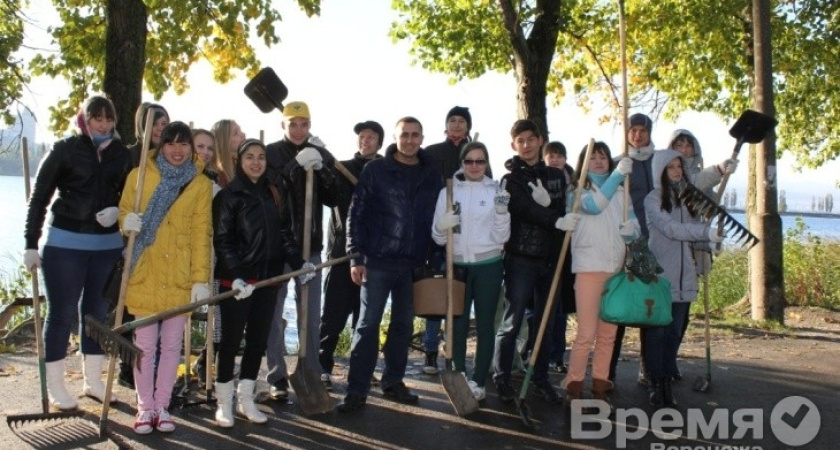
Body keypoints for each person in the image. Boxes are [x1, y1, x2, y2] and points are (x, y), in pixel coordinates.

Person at [23, 95, 132, 410]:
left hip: (107, 248)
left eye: (108, 119)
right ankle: (55, 386)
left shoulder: (122, 156)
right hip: (65, 245)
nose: (102, 124)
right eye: (96, 118)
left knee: (96, 317)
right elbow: (39, 197)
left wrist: (118, 213)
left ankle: (93, 382)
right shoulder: (65, 150)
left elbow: (131, 200)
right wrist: (31, 243)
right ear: (85, 119)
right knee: (61, 315)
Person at [339, 116, 443, 412]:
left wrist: (435, 259)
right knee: (368, 325)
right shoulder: (377, 170)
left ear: (422, 138)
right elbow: (355, 214)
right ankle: (357, 389)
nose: (410, 140)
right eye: (404, 135)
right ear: (396, 138)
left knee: (403, 325)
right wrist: (355, 256)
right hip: (378, 260)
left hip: (414, 263)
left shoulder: (431, 173)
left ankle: (393, 381)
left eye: (415, 135)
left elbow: (437, 218)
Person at [118, 121, 212, 434]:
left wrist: (201, 279)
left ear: (190, 148)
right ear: (161, 146)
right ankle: (145, 408)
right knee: (144, 345)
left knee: (172, 346)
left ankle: (163, 405)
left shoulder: (199, 185)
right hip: (144, 270)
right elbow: (125, 211)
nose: (177, 150)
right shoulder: (140, 175)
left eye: (183, 144)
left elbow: (202, 234)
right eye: (171, 143)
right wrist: (126, 222)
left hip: (179, 276)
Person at [212, 139, 312, 427]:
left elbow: (284, 234)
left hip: (268, 280)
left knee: (256, 343)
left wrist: (298, 263)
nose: (256, 162)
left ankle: (246, 399)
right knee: (230, 343)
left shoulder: (272, 193)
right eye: (249, 157)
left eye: (261, 157)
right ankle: (224, 404)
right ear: (239, 162)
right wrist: (237, 275)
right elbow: (223, 241)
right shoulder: (229, 196)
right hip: (238, 284)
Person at [493, 119, 578, 404]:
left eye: (531, 139)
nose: (527, 145)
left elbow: (563, 209)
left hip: (551, 258)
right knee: (512, 320)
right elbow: (523, 209)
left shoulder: (556, 175)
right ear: (514, 145)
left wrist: (555, 211)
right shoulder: (510, 179)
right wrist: (554, 216)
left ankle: (540, 377)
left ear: (540, 140)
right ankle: (502, 377)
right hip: (520, 258)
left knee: (546, 323)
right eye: (521, 141)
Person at [264, 101, 338, 402]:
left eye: (303, 124)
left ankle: (310, 369)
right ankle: (277, 376)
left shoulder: (320, 152)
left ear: (310, 125)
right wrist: (296, 166)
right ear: (283, 125)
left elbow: (334, 198)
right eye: (292, 124)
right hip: (279, 246)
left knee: (310, 313)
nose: (298, 130)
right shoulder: (269, 153)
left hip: (311, 247)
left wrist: (323, 170)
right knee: (273, 312)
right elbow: (273, 192)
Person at [643, 149, 725, 408]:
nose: (677, 171)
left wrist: (712, 240)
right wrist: (704, 231)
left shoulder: (689, 198)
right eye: (671, 167)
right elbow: (671, 229)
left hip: (684, 277)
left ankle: (667, 381)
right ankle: (656, 383)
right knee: (657, 333)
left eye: (679, 166)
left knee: (674, 333)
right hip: (660, 278)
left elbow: (692, 234)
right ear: (660, 171)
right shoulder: (652, 199)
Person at [430, 141, 510, 401]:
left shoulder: (496, 190)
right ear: (462, 163)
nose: (475, 166)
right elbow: (439, 238)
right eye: (469, 161)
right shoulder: (449, 191)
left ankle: (478, 381)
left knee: (486, 324)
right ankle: (460, 374)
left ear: (487, 163)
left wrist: (501, 211)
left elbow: (503, 236)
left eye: (480, 161)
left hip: (488, 265)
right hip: (458, 266)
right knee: (457, 324)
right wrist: (442, 226)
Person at [564, 142, 638, 409]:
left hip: (615, 269)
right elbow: (595, 206)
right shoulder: (576, 192)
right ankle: (574, 384)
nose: (598, 161)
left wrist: (631, 230)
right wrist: (618, 173)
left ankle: (600, 383)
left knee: (608, 334)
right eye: (592, 157)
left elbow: (635, 228)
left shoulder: (622, 192)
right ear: (583, 163)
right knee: (586, 333)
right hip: (588, 268)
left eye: (603, 157)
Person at [318, 120, 384, 389]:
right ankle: (322, 366)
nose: (365, 140)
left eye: (370, 137)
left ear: (379, 141)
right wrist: (321, 166)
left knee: (366, 317)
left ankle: (363, 368)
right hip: (341, 254)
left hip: (375, 254)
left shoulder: (385, 170)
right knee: (333, 312)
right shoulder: (341, 167)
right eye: (361, 137)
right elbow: (327, 196)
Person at [420, 105, 481, 375]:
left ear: (468, 126)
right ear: (446, 126)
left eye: (461, 121)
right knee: (436, 291)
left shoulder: (475, 154)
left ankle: (454, 352)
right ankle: (431, 351)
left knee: (458, 294)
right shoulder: (431, 153)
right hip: (435, 231)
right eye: (452, 121)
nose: (457, 125)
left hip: (468, 235)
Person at [119, 102, 171, 389]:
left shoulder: (170, 158)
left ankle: (154, 369)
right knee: (131, 308)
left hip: (162, 243)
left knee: (158, 310)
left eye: (164, 125)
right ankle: (129, 367)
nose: (160, 130)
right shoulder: (130, 157)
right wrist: (124, 220)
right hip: (133, 241)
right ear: (143, 125)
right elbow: (121, 198)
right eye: (155, 124)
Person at [190, 119, 246, 382]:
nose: (243, 135)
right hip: (207, 250)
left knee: (222, 310)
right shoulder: (219, 176)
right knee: (216, 309)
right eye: (237, 133)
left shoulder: (235, 171)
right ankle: (206, 362)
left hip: (225, 249)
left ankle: (208, 360)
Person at [609, 112, 655, 386]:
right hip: (626, 243)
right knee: (620, 307)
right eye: (633, 130)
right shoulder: (619, 164)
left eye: (642, 130)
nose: (637, 135)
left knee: (648, 307)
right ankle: (608, 372)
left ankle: (648, 369)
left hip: (653, 243)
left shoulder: (657, 161)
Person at [541, 141, 575, 374]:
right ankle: (536, 352)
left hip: (568, 249)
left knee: (560, 307)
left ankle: (557, 354)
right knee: (542, 306)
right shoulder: (539, 180)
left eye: (559, 156)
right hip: (544, 249)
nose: (555, 160)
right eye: (551, 156)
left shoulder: (573, 184)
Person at [128, 103, 169, 168]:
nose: (160, 128)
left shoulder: (171, 155)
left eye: (164, 124)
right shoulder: (129, 155)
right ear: (142, 126)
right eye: (154, 124)